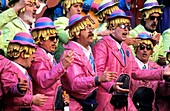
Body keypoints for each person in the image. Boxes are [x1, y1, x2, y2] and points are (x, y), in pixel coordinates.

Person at [92, 9, 170, 111]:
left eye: (128, 27)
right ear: (112, 27)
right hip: (107, 101)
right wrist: (112, 86)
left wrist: (161, 72)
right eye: (123, 26)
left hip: (123, 100)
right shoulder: (102, 45)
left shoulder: (126, 48)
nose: (127, 30)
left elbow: (136, 72)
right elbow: (98, 73)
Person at [60, 14, 117, 111]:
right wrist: (97, 79)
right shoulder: (71, 54)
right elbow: (75, 83)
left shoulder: (88, 50)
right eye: (86, 28)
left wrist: (112, 86)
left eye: (91, 27)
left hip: (89, 102)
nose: (91, 31)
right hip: (76, 105)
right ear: (77, 34)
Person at [29, 17, 74, 110]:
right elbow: (43, 80)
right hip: (43, 107)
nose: (55, 41)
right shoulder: (37, 56)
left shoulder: (48, 55)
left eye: (56, 37)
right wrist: (62, 66)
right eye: (51, 38)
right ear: (41, 40)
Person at [1, 32, 47, 111]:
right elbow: (9, 93)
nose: (34, 56)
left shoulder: (24, 71)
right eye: (32, 53)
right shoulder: (9, 69)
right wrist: (31, 99)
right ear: (23, 54)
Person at [129, 32, 170, 111]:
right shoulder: (129, 65)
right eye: (141, 47)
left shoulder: (157, 68)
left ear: (151, 51)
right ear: (135, 48)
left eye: (148, 48)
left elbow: (163, 91)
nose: (145, 50)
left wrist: (168, 81)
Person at [129, 0, 165, 65]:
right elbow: (132, 59)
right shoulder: (133, 34)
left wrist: (162, 60)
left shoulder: (159, 37)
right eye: (152, 17)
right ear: (145, 17)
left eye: (158, 18)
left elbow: (161, 55)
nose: (155, 21)